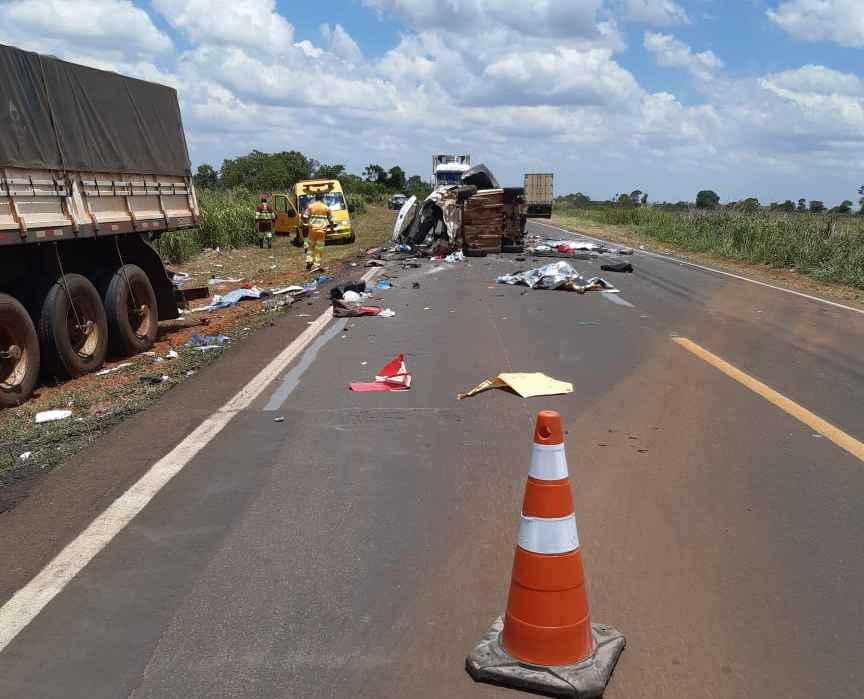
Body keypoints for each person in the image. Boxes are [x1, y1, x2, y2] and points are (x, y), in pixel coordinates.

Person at [301, 192, 334, 271]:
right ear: (322, 198)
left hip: (312, 230)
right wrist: (332, 228)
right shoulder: (326, 208)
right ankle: (316, 265)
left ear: (315, 198)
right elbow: (331, 220)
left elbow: (305, 217)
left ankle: (309, 261)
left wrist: (306, 223)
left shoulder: (310, 207)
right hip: (322, 231)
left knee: (310, 247)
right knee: (319, 248)